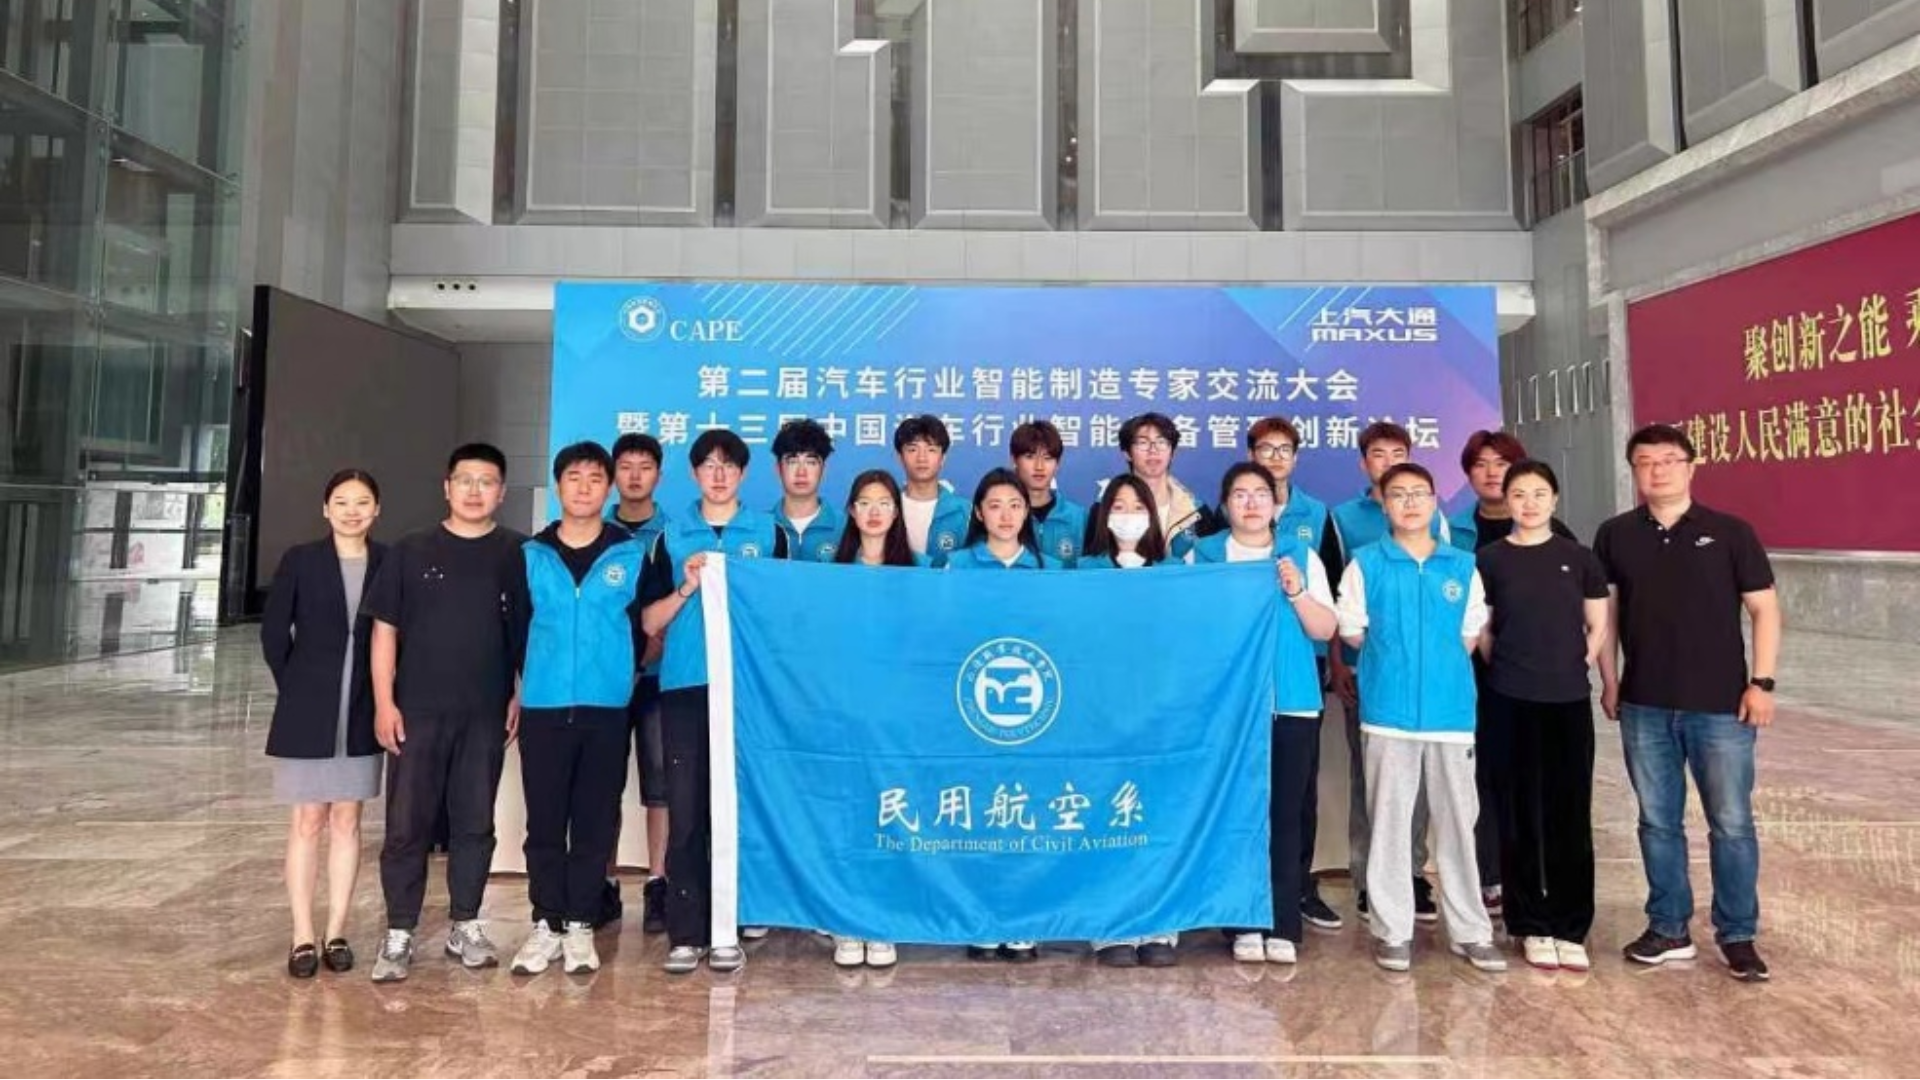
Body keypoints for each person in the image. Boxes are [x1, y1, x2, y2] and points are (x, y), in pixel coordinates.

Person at [1595, 424, 1781, 982]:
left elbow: (1764, 610)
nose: (1657, 470)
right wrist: (1610, 680)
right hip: (1645, 703)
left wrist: (1762, 683)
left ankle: (1738, 933)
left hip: (1721, 706)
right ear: (1634, 470)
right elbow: (1606, 615)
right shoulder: (1616, 534)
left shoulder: (1730, 532)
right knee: (1657, 822)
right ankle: (1668, 926)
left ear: (1691, 466)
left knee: (1731, 823)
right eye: (1645, 461)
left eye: (1669, 460)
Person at [363, 443, 527, 982]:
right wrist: (384, 702)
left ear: (501, 492)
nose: (475, 491)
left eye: (487, 482)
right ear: (447, 487)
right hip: (417, 711)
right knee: (406, 824)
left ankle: (466, 923)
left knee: (474, 821)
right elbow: (385, 631)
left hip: (485, 712)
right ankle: (399, 931)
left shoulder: (517, 554)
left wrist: (519, 695)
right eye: (465, 480)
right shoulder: (410, 551)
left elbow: (527, 636)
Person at [1335, 463, 1504, 973]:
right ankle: (1392, 930)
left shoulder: (1461, 565)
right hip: (1387, 714)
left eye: (1419, 494)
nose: (1409, 503)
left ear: (1434, 503)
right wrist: (1395, 662)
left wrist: (1436, 670)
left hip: (1450, 715)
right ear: (1384, 505)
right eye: (1398, 495)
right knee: (1389, 824)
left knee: (1458, 824)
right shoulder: (1366, 563)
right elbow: (1352, 630)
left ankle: (1471, 931)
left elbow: (1470, 633)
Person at [640, 429, 788, 974]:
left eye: (729, 466)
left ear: (744, 474)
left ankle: (733, 924)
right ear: (694, 473)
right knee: (687, 810)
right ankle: (687, 932)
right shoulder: (671, 536)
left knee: (742, 808)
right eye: (708, 465)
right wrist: (685, 587)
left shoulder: (769, 534)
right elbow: (649, 622)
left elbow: (783, 615)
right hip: (685, 685)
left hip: (749, 692)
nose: (719, 475)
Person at [507, 442, 649, 977]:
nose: (584, 487)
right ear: (558, 485)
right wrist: (517, 689)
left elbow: (645, 627)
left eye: (594, 478)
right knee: (544, 821)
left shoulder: (630, 554)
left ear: (608, 488)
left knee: (595, 819)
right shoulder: (530, 555)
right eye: (574, 477)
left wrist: (622, 672)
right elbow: (514, 630)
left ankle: (581, 923)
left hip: (606, 708)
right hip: (544, 705)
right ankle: (546, 922)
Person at [1193, 464, 1339, 967]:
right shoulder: (1205, 555)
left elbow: (1325, 630)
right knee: (1237, 814)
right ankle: (1241, 921)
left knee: (1285, 814)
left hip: (1290, 701)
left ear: (1277, 505)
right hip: (1227, 709)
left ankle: (1282, 920)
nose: (1252, 503)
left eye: (1261, 494)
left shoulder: (1300, 555)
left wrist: (1297, 592)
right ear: (1225, 503)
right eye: (1240, 494)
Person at [1475, 460, 1608, 971]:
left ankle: (1571, 925)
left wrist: (1579, 661)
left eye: (1538, 494)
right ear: (1507, 502)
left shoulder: (1578, 557)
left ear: (1554, 499)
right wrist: (1509, 667)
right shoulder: (1489, 559)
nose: (1528, 503)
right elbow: (1484, 630)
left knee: (1569, 812)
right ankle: (1529, 921)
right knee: (1517, 813)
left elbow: (1598, 624)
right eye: (1519, 494)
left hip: (1567, 699)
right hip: (1509, 699)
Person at [261, 469, 388, 978]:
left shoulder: (389, 561)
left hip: (363, 708)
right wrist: (296, 687)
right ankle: (301, 934)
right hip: (307, 710)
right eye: (341, 501)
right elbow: (275, 634)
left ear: (377, 509)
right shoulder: (301, 560)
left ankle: (336, 931)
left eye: (362, 502)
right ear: (325, 509)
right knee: (307, 821)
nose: (352, 511)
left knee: (347, 821)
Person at [1447, 429, 1576, 916]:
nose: (1491, 473)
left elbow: (1582, 608)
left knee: (1539, 777)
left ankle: (1539, 873)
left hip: (1539, 678)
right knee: (1486, 774)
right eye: (1480, 464)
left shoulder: (1557, 535)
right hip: (1472, 676)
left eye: (1501, 463)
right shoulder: (1452, 532)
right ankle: (1491, 876)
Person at [1327, 421, 1441, 923]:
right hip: (1365, 670)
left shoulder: (1433, 518)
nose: (1389, 461)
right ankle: (1368, 877)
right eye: (1379, 454)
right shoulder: (1342, 519)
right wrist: (1338, 662)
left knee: (1418, 782)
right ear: (1363, 462)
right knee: (1368, 779)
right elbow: (1334, 597)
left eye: (1399, 452)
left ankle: (1412, 873)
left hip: (1426, 677)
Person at [1245, 416, 1345, 932]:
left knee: (1299, 786)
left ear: (1296, 457)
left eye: (1284, 449)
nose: (1275, 457)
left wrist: (1334, 664)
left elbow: (1331, 600)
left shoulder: (1317, 516)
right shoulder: (1228, 520)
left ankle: (1299, 888)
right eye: (1266, 448)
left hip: (1302, 668)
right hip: (1242, 676)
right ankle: (1244, 896)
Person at [822, 469, 922, 970]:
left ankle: (883, 920)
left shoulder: (918, 573)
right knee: (848, 818)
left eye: (884, 502)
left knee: (891, 817)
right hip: (844, 716)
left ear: (896, 511)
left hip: (896, 719)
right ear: (851, 511)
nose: (875, 511)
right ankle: (846, 921)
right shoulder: (830, 574)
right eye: (864, 502)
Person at [604, 432, 672, 933]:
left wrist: (643, 661)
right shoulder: (593, 529)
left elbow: (669, 612)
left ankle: (658, 884)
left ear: (658, 475)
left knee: (660, 786)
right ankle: (602, 883)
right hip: (602, 682)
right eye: (625, 466)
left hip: (656, 680)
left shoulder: (673, 534)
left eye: (644, 467)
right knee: (601, 784)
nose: (634, 476)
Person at [1116, 412, 1205, 558]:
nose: (1153, 450)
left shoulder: (1197, 511)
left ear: (1172, 452)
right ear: (1127, 453)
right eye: (1143, 443)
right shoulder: (1105, 509)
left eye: (1161, 442)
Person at [893, 415, 971, 566]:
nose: (922, 458)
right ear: (900, 458)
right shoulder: (887, 508)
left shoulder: (965, 512)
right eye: (912, 449)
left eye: (931, 450)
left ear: (943, 458)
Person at [1011, 420, 1089, 568]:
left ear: (1057, 463)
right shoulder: (1003, 517)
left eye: (1047, 458)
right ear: (1014, 460)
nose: (1039, 467)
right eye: (1030, 457)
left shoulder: (1079, 518)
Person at [771, 419, 845, 563]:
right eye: (792, 462)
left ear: (823, 470)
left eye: (811, 462)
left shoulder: (846, 528)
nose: (801, 472)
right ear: (778, 469)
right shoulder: (763, 528)